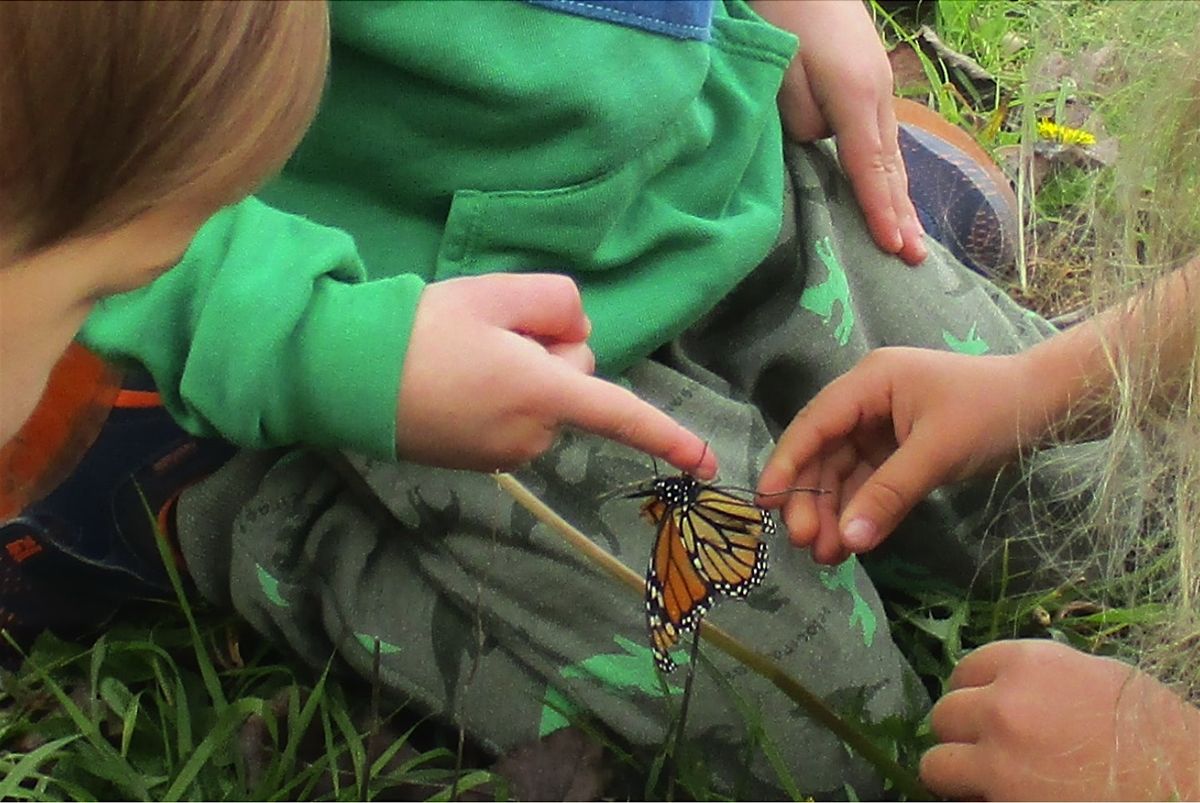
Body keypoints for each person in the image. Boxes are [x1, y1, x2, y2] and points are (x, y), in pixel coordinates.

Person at [17, 0, 1061, 797]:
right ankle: (236, 494)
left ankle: (909, 195)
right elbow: (101, 136)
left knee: (1075, 496)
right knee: (828, 739)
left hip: (716, 176)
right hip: (434, 326)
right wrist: (343, 352)